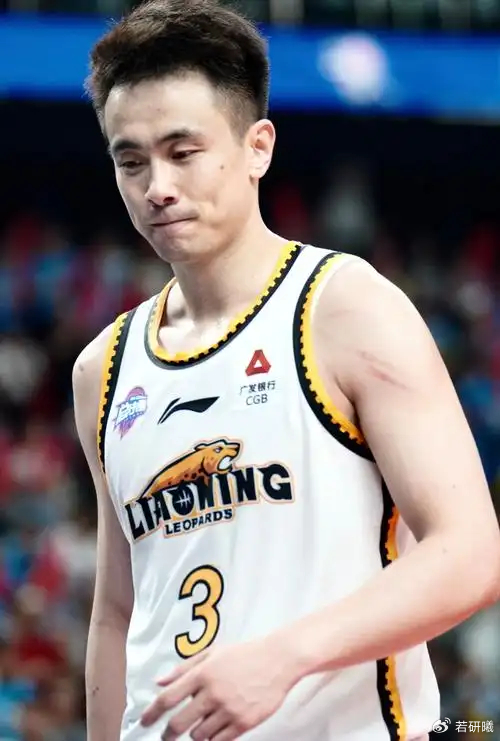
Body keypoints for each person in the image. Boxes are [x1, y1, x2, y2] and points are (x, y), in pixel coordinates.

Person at [73, 1, 500, 740]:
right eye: (131, 160)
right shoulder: (102, 369)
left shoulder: (346, 307)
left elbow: (470, 553)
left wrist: (285, 657)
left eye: (183, 151)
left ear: (257, 148)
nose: (157, 186)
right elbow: (117, 611)